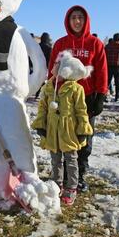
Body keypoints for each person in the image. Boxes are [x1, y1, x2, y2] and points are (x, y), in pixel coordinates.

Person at [47, 5, 107, 192]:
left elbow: (102, 70)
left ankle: (79, 174)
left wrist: (101, 95)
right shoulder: (60, 43)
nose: (77, 21)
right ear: (68, 20)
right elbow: (52, 69)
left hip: (87, 98)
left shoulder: (95, 44)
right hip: (64, 98)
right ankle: (64, 174)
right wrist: (50, 89)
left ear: (86, 20)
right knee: (63, 135)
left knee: (83, 136)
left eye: (80, 17)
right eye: (73, 17)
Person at [32, 51, 93, 205]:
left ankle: (71, 187)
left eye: (58, 64)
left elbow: (81, 110)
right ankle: (56, 184)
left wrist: (82, 130)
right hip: (53, 130)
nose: (54, 65)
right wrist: (41, 124)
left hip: (68, 131)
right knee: (55, 159)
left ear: (66, 70)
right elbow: (43, 107)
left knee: (71, 160)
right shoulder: (48, 86)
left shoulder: (76, 89)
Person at [105, 33, 119, 102]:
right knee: (117, 83)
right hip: (117, 68)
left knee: (107, 83)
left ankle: (104, 96)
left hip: (108, 67)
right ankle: (116, 97)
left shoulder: (107, 46)